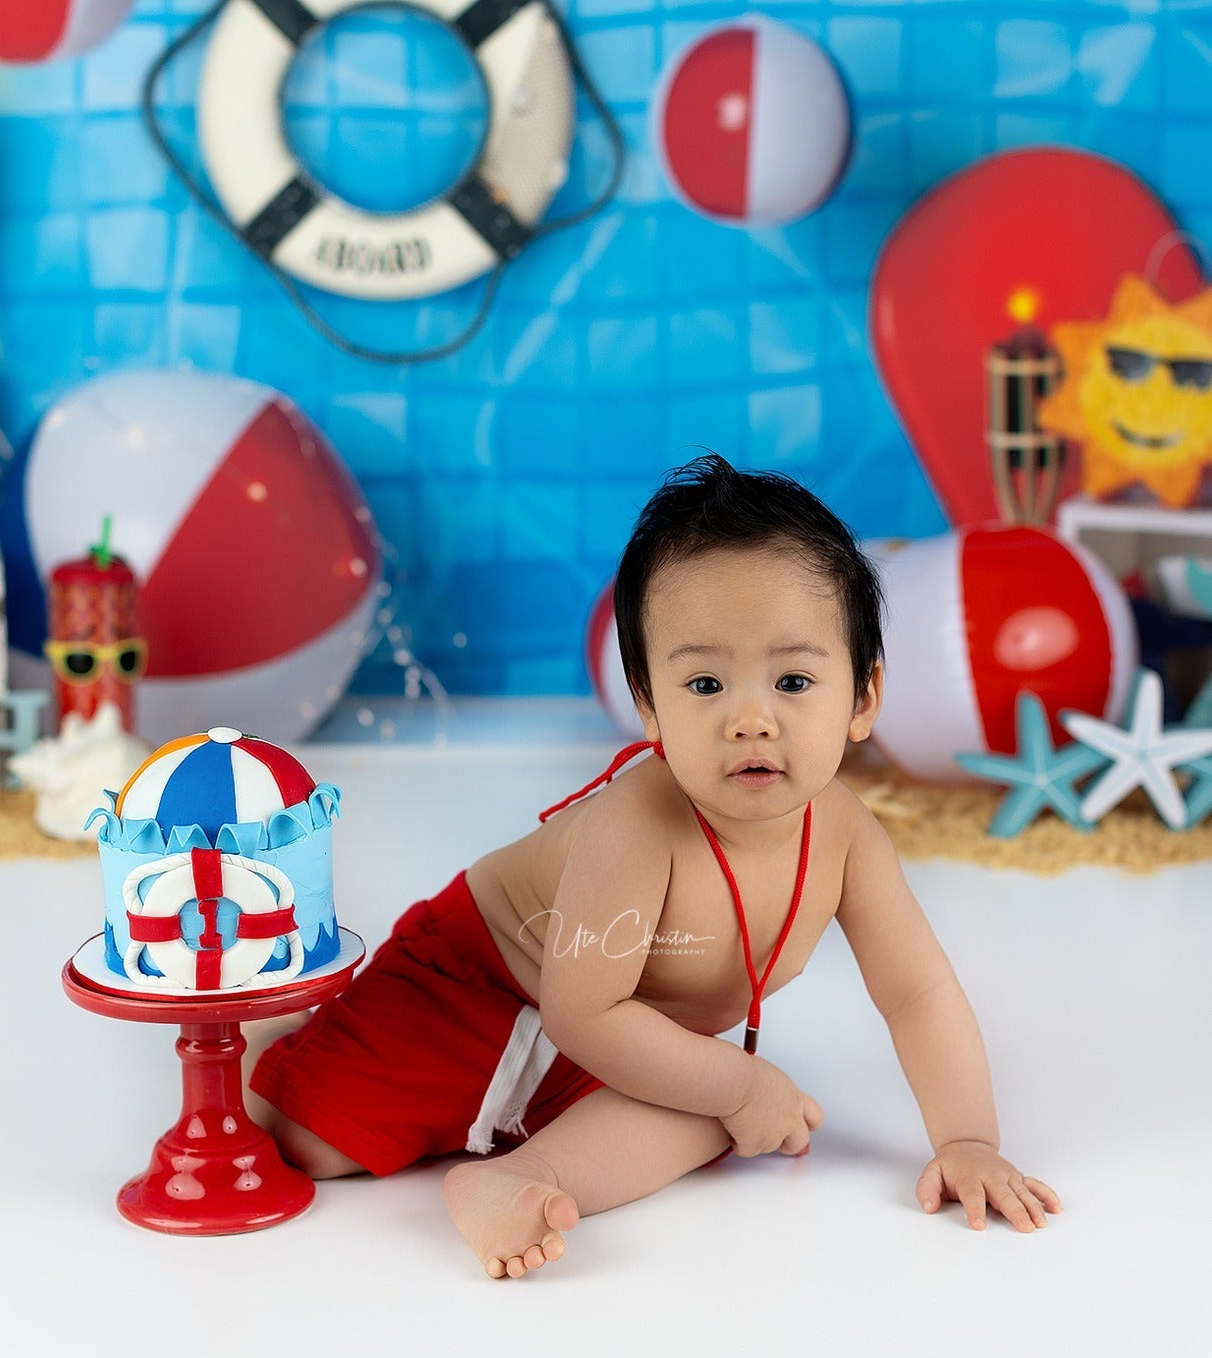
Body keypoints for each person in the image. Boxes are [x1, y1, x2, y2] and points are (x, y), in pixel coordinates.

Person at [244, 453, 1061, 1279]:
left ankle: (523, 1176)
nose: (751, 718)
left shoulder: (849, 837)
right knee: (303, 1142)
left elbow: (918, 993)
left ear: (862, 698)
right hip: (476, 984)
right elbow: (582, 1008)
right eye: (705, 682)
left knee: (719, 1118)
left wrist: (967, 1139)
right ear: (648, 704)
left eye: (793, 679)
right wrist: (741, 1084)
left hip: (613, 1038)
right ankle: (265, 1028)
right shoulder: (641, 819)